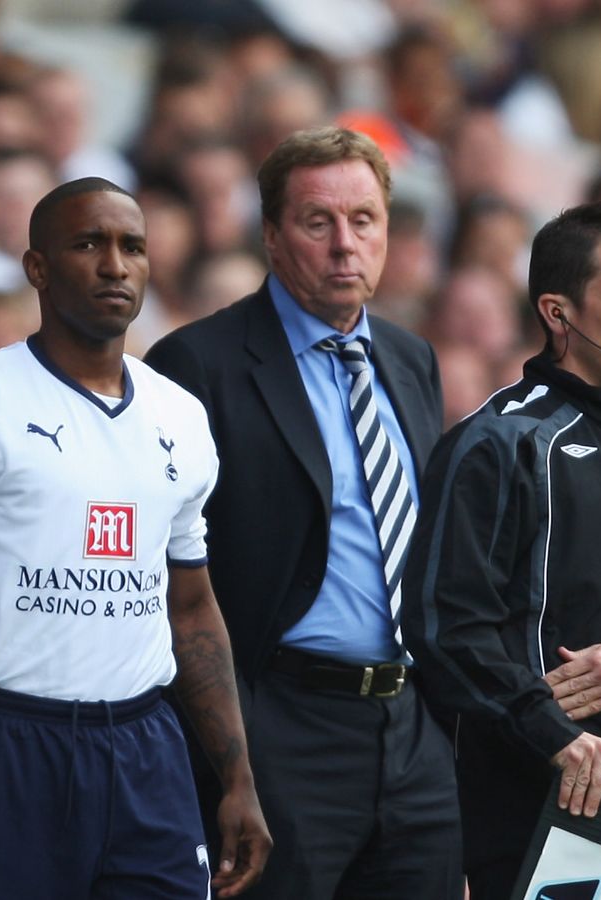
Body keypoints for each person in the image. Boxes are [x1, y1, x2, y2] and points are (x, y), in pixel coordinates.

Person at [0, 177, 270, 898]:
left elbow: (190, 609)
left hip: (148, 749)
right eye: (89, 243)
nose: (115, 265)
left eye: (133, 247)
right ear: (37, 268)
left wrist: (237, 775)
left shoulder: (181, 417)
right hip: (6, 743)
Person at [144, 126, 460, 898]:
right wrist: (230, 753)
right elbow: (168, 576)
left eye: (364, 220)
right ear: (272, 237)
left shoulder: (412, 358)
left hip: (411, 727)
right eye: (318, 222)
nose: (345, 245)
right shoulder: (197, 365)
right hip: (278, 724)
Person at [402, 202, 601, 900]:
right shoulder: (496, 444)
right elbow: (446, 631)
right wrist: (555, 735)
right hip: (536, 800)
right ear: (559, 313)